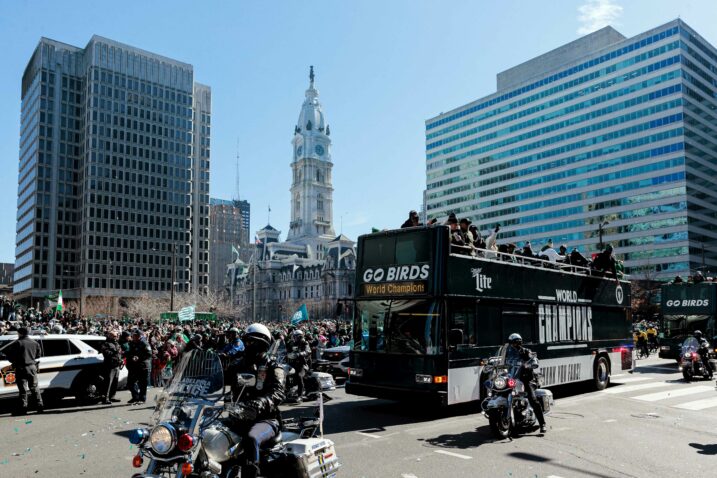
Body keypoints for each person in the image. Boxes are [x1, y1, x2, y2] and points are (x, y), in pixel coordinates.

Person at [227, 323, 285, 478]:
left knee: (251, 438)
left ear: (263, 343)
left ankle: (252, 473)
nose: (248, 345)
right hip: (239, 416)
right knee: (209, 435)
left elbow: (278, 392)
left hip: (266, 419)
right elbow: (220, 380)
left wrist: (261, 402)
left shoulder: (273, 366)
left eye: (252, 342)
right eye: (246, 341)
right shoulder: (238, 364)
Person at [504, 333, 546, 433]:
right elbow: (501, 361)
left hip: (526, 379)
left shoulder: (526, 351)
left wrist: (533, 363)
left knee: (533, 399)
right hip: (512, 377)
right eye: (513, 343)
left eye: (517, 343)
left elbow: (533, 359)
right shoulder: (507, 352)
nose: (515, 345)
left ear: (520, 342)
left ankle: (542, 424)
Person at [4, 327, 43, 415]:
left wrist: (12, 360)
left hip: (21, 368)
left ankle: (23, 409)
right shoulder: (35, 343)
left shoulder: (17, 343)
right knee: (35, 388)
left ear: (20, 333)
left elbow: (11, 357)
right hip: (32, 367)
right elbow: (38, 355)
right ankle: (40, 406)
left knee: (23, 389)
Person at [126, 329, 152, 404]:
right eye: (133, 335)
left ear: (139, 336)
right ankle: (135, 397)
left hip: (143, 366)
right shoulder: (132, 343)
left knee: (142, 384)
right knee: (130, 383)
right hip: (134, 366)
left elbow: (149, 354)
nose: (133, 336)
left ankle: (142, 398)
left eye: (135, 335)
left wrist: (139, 357)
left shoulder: (144, 343)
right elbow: (130, 352)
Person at [286, 329, 312, 403]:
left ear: (300, 337)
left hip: (302, 364)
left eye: (296, 336)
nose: (294, 338)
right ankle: (286, 391)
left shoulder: (305, 343)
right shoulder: (292, 343)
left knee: (298, 375)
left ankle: (299, 396)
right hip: (292, 364)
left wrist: (299, 354)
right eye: (294, 336)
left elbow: (308, 351)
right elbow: (287, 350)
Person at [100, 330, 123, 404]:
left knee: (115, 382)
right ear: (110, 336)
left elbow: (119, 353)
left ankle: (112, 397)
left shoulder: (117, 344)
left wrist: (121, 360)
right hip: (110, 366)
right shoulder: (106, 344)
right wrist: (114, 352)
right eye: (114, 336)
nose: (116, 337)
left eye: (116, 336)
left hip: (117, 365)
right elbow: (106, 353)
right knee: (108, 383)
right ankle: (105, 398)